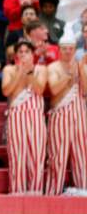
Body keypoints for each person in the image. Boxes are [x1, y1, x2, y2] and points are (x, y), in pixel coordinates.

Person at [2, 40, 47, 195]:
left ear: (32, 54)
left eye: (26, 52)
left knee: (37, 155)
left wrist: (29, 72)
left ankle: (35, 192)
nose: (23, 55)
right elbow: (6, 91)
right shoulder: (9, 69)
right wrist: (20, 73)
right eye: (20, 52)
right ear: (16, 55)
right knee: (16, 155)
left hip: (35, 115)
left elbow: (40, 90)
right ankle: (17, 191)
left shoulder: (41, 69)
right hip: (16, 114)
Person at [45, 33, 87, 194]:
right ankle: (53, 192)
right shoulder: (53, 67)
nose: (68, 52)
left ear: (75, 49)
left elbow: (85, 90)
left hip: (79, 113)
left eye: (71, 49)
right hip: (60, 114)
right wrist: (70, 74)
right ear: (59, 50)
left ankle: (83, 191)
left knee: (82, 154)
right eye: (64, 49)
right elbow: (54, 89)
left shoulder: (80, 66)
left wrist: (81, 69)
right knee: (57, 156)